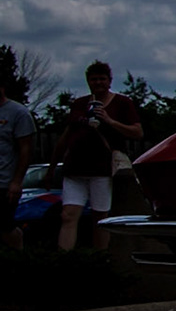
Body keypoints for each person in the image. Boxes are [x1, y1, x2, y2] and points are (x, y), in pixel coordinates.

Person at [51, 61, 140, 253]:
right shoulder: (79, 104)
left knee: (100, 217)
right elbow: (66, 136)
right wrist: (52, 167)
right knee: (68, 215)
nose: (98, 83)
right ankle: (62, 260)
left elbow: (137, 132)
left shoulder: (122, 103)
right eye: (94, 79)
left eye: (102, 79)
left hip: (101, 169)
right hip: (75, 168)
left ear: (109, 81)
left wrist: (109, 121)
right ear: (88, 81)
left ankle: (99, 260)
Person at [2, 76, 34, 251]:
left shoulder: (17, 113)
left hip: (4, 182)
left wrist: (16, 181)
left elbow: (26, 149)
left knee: (5, 227)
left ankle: (19, 254)